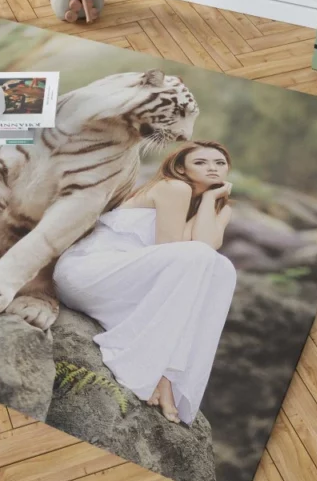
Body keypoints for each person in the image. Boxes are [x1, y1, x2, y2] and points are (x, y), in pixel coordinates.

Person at [53, 141, 237, 425]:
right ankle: (156, 371)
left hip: (126, 284)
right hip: (89, 271)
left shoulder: (216, 206)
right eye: (201, 162)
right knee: (199, 260)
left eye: (219, 163)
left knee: (223, 269)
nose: (212, 167)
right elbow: (175, 251)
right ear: (180, 168)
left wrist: (210, 202)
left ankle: (163, 371)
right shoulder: (174, 188)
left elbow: (204, 250)